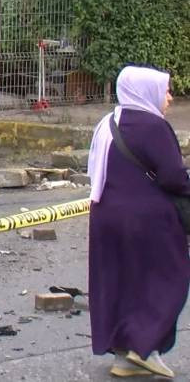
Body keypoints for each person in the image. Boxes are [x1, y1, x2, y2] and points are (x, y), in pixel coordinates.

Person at [88, 65, 190, 378]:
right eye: (165, 91)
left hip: (105, 218)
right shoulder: (154, 126)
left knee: (121, 281)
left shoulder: (108, 123)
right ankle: (143, 346)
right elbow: (172, 177)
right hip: (148, 221)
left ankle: (124, 356)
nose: (169, 98)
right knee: (168, 279)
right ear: (147, 92)